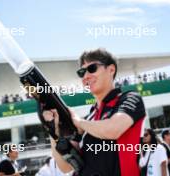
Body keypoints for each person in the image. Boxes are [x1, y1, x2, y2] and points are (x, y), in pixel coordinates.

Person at [42, 48, 146, 176]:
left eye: (92, 68)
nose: (86, 76)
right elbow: (66, 167)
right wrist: (53, 131)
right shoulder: (89, 118)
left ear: (111, 69)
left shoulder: (130, 98)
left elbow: (113, 129)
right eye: (81, 72)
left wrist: (79, 122)